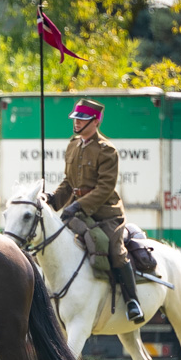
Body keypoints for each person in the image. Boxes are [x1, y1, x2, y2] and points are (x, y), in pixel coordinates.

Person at [47, 98, 144, 323]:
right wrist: (52, 199)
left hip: (106, 213)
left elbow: (104, 188)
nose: (77, 123)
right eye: (76, 119)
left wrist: (78, 205)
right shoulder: (72, 145)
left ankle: (132, 301)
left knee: (115, 250)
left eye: (82, 119)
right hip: (78, 212)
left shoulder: (107, 150)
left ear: (95, 121)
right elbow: (69, 183)